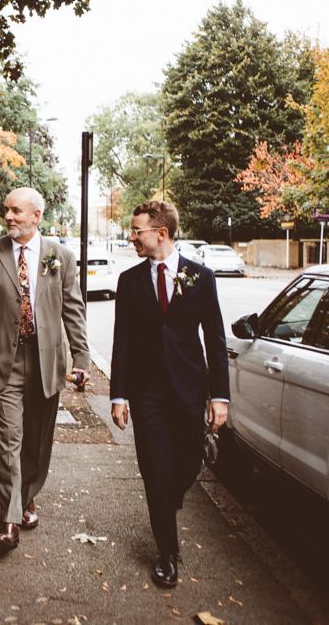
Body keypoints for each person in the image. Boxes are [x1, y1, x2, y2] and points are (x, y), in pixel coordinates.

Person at [110, 200, 229, 589]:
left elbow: (214, 338)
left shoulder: (200, 276)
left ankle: (170, 496)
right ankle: (167, 553)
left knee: (187, 466)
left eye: (136, 231)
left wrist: (219, 397)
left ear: (161, 233)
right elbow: (122, 340)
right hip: (147, 396)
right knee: (155, 472)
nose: (131, 238)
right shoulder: (129, 281)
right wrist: (119, 395)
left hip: (189, 391)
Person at [0, 187, 90, 552]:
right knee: (9, 441)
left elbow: (73, 312)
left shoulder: (60, 257)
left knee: (36, 442)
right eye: (6, 210)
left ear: (37, 215)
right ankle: (8, 520)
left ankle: (28, 493)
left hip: (47, 363)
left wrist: (81, 360)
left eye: (17, 211)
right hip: (4, 362)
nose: (9, 217)